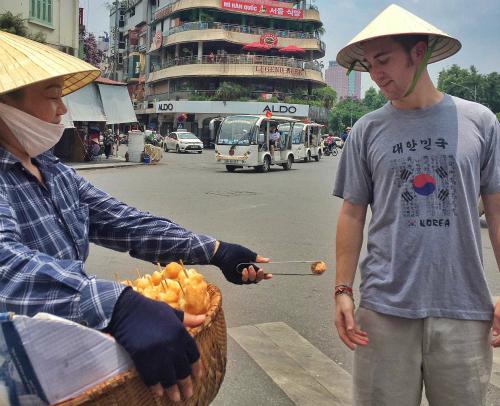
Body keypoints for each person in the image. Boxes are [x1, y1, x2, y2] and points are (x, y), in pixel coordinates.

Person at [0, 31, 272, 403]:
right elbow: (7, 266)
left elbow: (125, 222)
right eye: (51, 96)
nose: (63, 109)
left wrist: (214, 250)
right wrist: (118, 305)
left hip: (70, 359)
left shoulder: (52, 170)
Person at [333, 4, 500, 406]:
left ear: (419, 52)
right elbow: (352, 214)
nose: (376, 74)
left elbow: (495, 211)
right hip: (383, 311)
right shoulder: (366, 130)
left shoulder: (479, 121)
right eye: (370, 64)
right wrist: (342, 290)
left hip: (463, 308)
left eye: (384, 59)